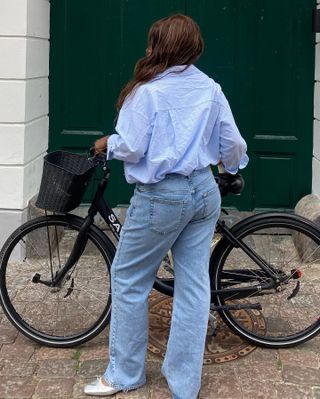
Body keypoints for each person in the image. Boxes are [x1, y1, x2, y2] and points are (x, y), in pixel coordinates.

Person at [84, 13, 248, 399]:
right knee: (193, 286)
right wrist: (233, 167)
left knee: (128, 279)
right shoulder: (210, 87)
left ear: (159, 46)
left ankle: (124, 374)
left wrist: (109, 142)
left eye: (151, 42)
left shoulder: (148, 92)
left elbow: (132, 146)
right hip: (204, 190)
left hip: (162, 196)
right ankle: (184, 385)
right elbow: (234, 145)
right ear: (193, 47)